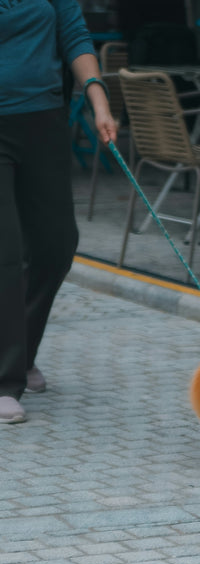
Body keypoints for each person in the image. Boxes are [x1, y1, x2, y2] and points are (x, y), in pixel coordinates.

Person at [0, 0, 117, 424]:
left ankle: (20, 349)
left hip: (43, 119)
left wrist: (97, 99)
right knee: (6, 251)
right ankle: (3, 378)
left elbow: (74, 36)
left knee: (56, 244)